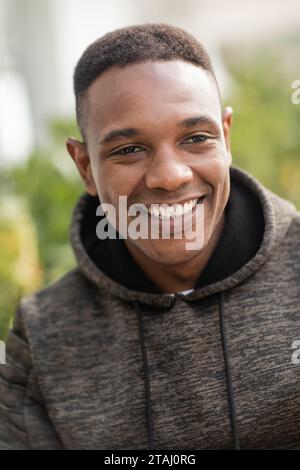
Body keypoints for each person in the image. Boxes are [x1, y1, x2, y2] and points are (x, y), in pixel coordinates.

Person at [0, 23, 300, 450]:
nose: (169, 176)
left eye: (196, 138)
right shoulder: (45, 333)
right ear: (85, 166)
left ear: (226, 137)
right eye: (128, 149)